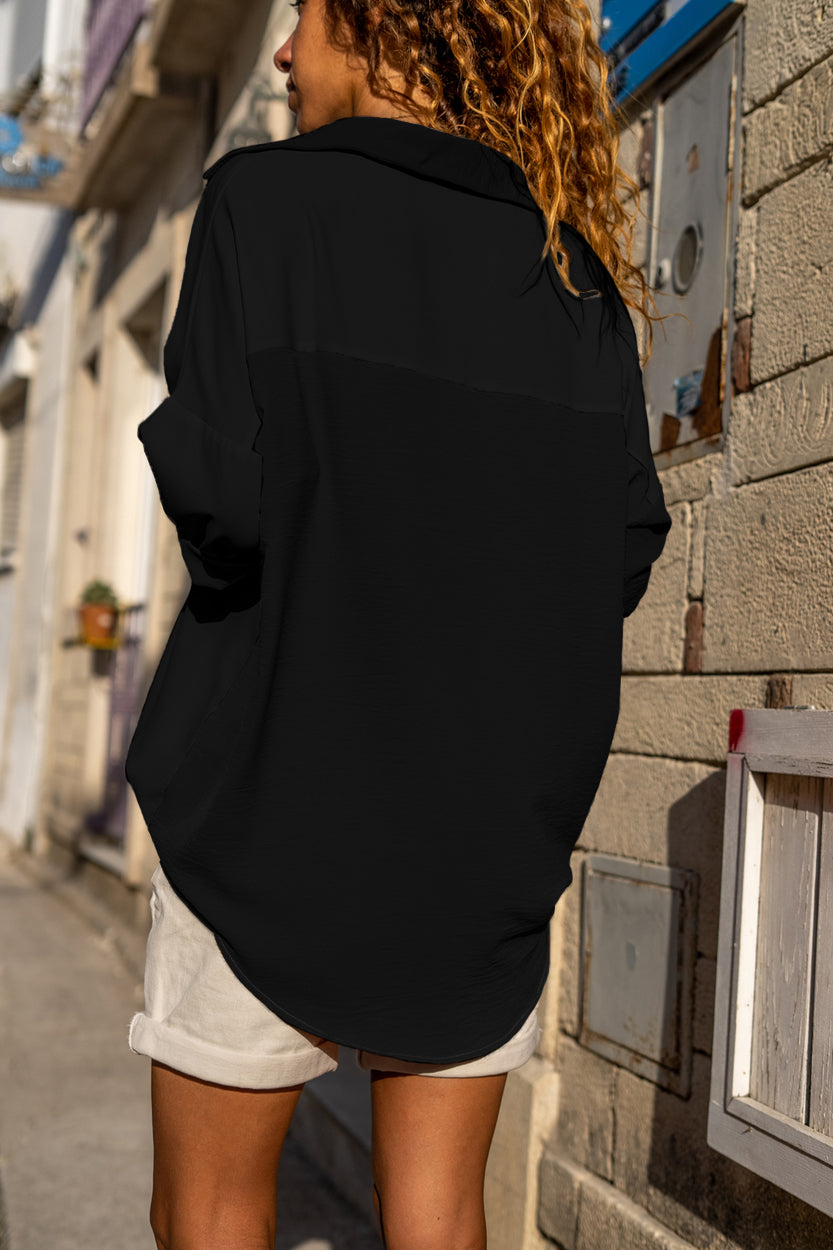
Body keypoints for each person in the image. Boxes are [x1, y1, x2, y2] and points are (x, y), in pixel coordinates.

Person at [124, 0, 673, 1247]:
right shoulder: (572, 275)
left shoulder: (265, 204)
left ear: (388, 27)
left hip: (267, 806)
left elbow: (225, 509)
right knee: (436, 1219)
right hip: (477, 837)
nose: (282, 51)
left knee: (210, 1210)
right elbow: (619, 549)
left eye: (308, 15)